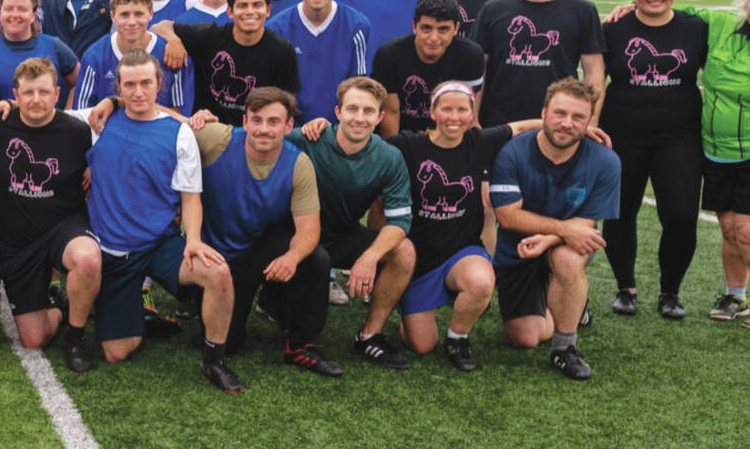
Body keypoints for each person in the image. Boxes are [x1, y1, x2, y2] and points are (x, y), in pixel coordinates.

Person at [640, 0, 750, 328]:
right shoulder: (722, 25)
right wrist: (631, 7)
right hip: (716, 152)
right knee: (729, 228)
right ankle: (735, 295)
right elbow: (674, 12)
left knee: (749, 231)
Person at [81, 50, 241, 389]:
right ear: (118, 89)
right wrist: (0, 106)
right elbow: (42, 114)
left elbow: (190, 197)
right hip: (113, 252)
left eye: (146, 83)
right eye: (130, 85)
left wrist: (194, 240)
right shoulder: (99, 120)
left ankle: (214, 361)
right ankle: (138, 317)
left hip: (160, 243)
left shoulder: (179, 133)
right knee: (116, 351)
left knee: (219, 274)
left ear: (159, 85)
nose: (138, 92)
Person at [386, 81, 539, 369]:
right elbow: (366, 141)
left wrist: (567, 126)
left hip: (462, 252)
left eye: (461, 110)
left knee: (481, 282)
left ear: (471, 114)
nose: (454, 117)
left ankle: (458, 337)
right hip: (420, 261)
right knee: (421, 345)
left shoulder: (479, 141)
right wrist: (318, 127)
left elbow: (518, 128)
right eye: (446, 109)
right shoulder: (409, 144)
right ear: (432, 112)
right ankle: (411, 309)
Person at [195, 87, 341, 375]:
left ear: (289, 126)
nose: (264, 129)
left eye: (273, 122)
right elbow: (157, 118)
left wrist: (291, 258)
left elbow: (309, 231)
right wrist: (118, 101)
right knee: (229, 343)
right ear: (245, 121)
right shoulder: (217, 139)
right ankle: (194, 299)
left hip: (257, 248)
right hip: (212, 255)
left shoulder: (298, 163)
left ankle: (300, 345)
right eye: (257, 120)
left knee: (315, 258)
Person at [598, 0, 707, 319]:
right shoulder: (613, 28)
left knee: (679, 217)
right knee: (620, 213)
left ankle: (670, 292)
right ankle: (625, 288)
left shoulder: (696, 28)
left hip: (679, 138)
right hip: (621, 135)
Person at [0, 58, 100, 366]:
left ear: (57, 93)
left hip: (64, 229)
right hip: (18, 242)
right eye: (28, 92)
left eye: (44, 92)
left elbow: (123, 130)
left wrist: (98, 169)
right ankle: (63, 309)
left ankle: (76, 339)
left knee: (88, 259)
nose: (36, 100)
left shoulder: (79, 131)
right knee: (33, 339)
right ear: (15, 95)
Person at [491, 78, 620, 377]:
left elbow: (585, 224)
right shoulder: (513, 152)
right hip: (518, 249)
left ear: (589, 122)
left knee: (568, 256)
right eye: (560, 113)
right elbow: (509, 216)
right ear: (544, 112)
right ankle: (569, 306)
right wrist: (562, 231)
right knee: (525, 337)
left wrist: (552, 238)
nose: (567, 123)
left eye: (578, 118)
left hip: (564, 244)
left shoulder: (605, 160)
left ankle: (565, 347)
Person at [287, 77, 417, 369]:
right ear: (337, 112)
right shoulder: (307, 138)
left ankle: (369, 336)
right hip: (294, 238)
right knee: (288, 315)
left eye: (369, 111)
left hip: (342, 236)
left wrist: (370, 256)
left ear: (381, 116)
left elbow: (400, 220)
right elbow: (258, 139)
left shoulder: (389, 157)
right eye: (352, 109)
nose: (359, 118)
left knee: (404, 250)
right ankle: (274, 301)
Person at [471, 0, 604, 126]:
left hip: (559, 124)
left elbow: (594, 73)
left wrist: (590, 123)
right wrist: (473, 119)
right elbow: (477, 69)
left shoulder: (582, 11)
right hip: (498, 123)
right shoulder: (493, 10)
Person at [158, 0, 301, 126]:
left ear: (268, 11)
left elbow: (288, 102)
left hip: (256, 133)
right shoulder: (209, 36)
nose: (250, 11)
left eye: (257, 5)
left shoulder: (283, 50)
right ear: (230, 12)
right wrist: (173, 40)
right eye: (242, 6)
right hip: (211, 129)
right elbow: (160, 26)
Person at [265, 0, 374, 130]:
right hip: (291, 130)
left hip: (340, 130)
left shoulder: (357, 26)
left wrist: (334, 126)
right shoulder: (276, 29)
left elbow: (359, 89)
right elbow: (273, 91)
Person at [369, 0, 484, 134]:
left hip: (448, 133)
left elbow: (466, 116)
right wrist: (393, 154)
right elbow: (391, 112)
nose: (434, 38)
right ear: (414, 27)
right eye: (426, 28)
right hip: (404, 134)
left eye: (443, 29)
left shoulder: (471, 55)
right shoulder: (388, 55)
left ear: (456, 29)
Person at [72, 0, 175, 111]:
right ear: (113, 16)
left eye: (139, 14)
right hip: (107, 130)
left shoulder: (171, 54)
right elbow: (82, 115)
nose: (131, 22)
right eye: (124, 15)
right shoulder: (94, 57)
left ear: (150, 14)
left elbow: (182, 113)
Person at [0, 0, 77, 107]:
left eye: (22, 9)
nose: (15, 15)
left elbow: (79, 81)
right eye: (8, 9)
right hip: (1, 126)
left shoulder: (53, 46)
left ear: (33, 16)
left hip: (45, 126)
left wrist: (68, 115)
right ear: (0, 13)